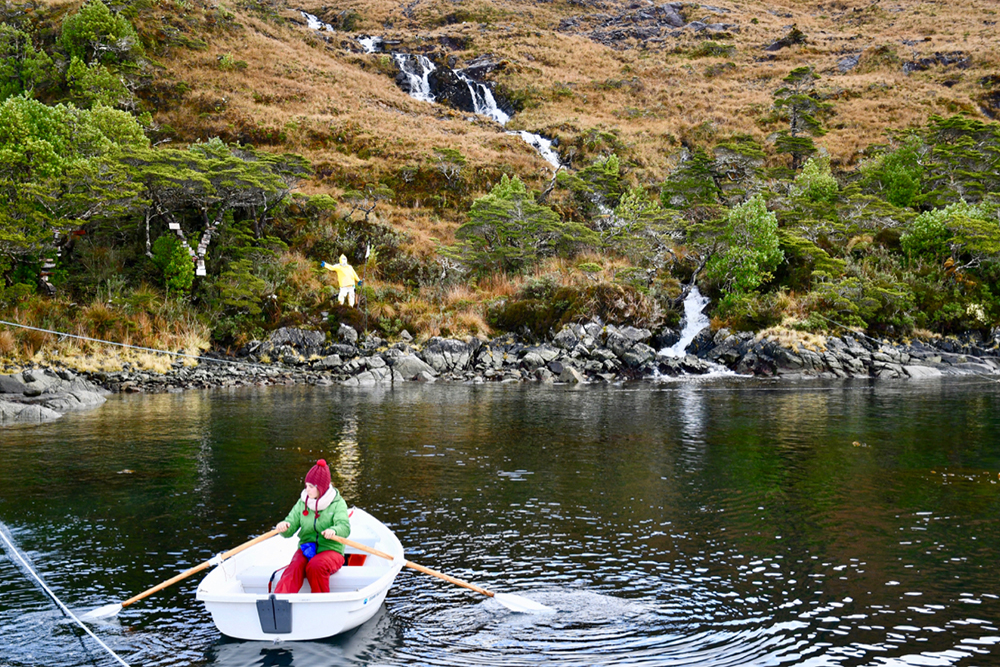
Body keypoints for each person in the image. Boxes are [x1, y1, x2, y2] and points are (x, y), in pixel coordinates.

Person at [273, 459, 351, 594]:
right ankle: (280, 600)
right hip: (307, 548)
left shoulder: (338, 503)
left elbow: (344, 527)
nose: (306, 489)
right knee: (294, 568)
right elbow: (290, 527)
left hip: (331, 550)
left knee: (316, 566)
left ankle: (320, 602)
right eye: (306, 485)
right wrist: (284, 527)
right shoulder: (302, 502)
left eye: (311, 486)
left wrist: (334, 530)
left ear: (320, 487)